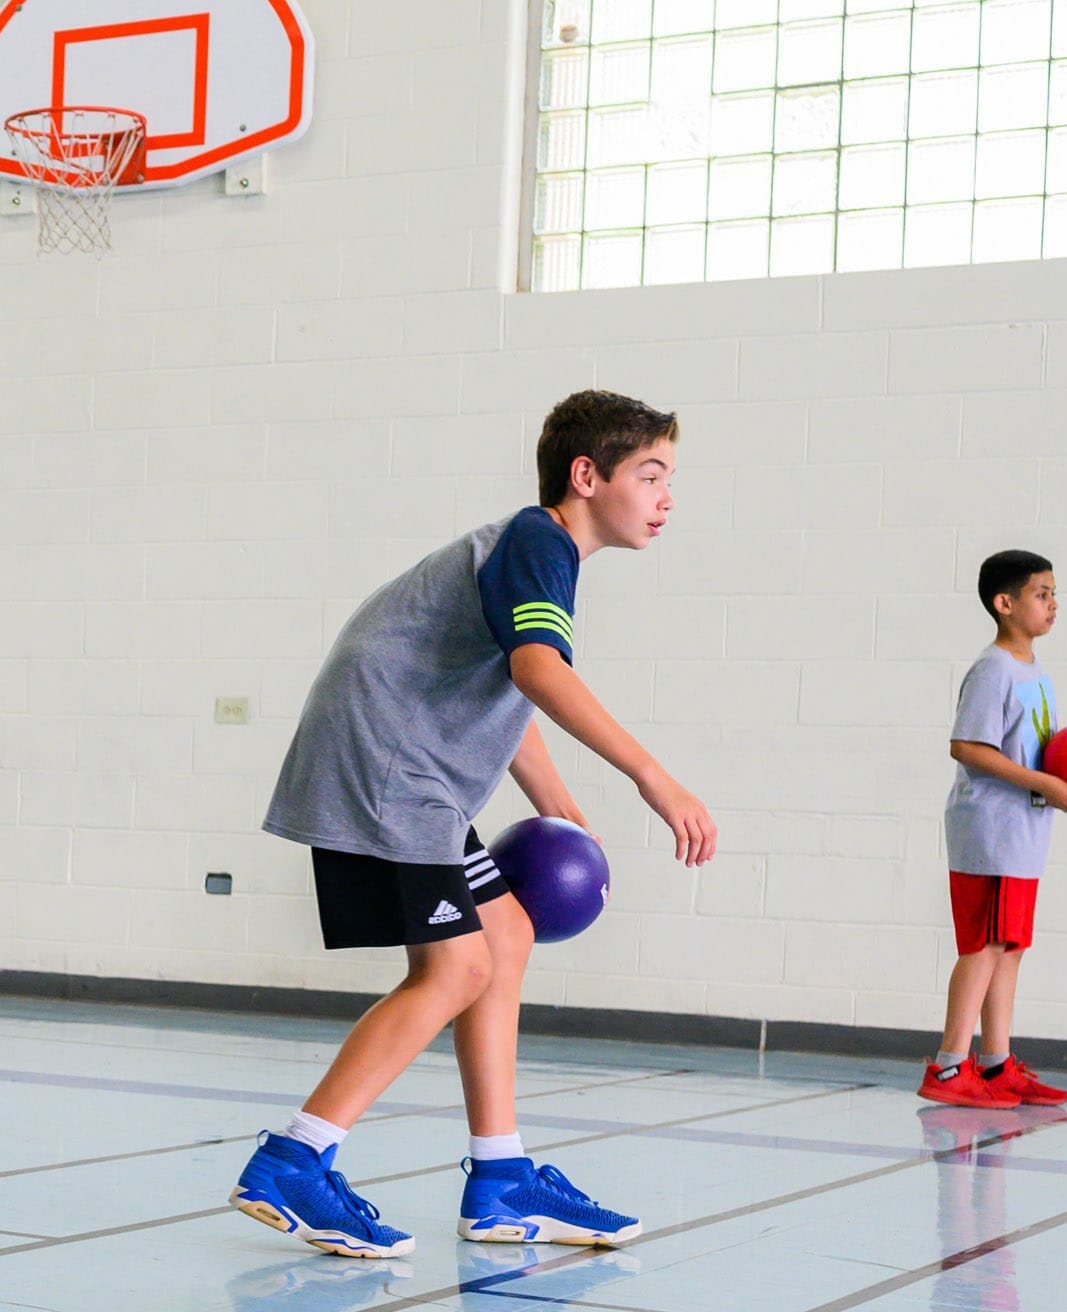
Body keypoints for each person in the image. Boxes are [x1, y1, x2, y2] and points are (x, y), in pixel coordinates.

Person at [232, 390, 718, 1257]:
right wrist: (652, 776)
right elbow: (535, 668)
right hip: (387, 764)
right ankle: (294, 1160)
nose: (665, 496)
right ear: (586, 474)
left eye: (668, 478)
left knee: (506, 936)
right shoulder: (541, 540)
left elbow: (511, 686)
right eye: (650, 474)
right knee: (456, 968)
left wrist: (558, 808)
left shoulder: (533, 552)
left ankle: (500, 1179)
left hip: (405, 766)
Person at [919, 549, 1067, 1110]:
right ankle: (948, 1065)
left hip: (1024, 832)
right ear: (1004, 604)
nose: (1053, 604)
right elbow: (966, 746)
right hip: (990, 831)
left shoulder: (1035, 673)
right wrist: (1041, 780)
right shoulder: (994, 669)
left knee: (1008, 948)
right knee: (983, 947)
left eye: (1055, 592)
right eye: (1041, 593)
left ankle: (996, 1063)